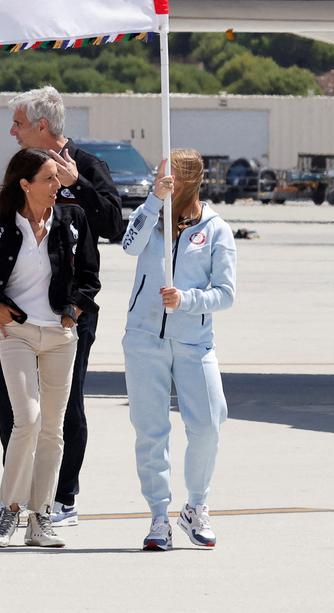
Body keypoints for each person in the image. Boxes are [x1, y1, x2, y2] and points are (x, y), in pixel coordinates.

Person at [0, 86, 124, 524]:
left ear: (41, 126)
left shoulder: (87, 165)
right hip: (19, 317)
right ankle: (19, 490)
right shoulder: (22, 170)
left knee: (64, 409)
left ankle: (61, 498)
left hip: (69, 315)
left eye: (19, 124)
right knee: (9, 404)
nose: (12, 131)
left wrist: (74, 185)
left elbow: (114, 224)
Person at [0, 149, 100, 549]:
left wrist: (73, 313)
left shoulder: (73, 219)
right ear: (25, 184)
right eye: (49, 179)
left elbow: (89, 275)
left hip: (60, 336)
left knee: (53, 428)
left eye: (58, 179)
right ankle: (10, 508)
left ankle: (41, 516)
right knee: (27, 420)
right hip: (15, 332)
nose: (57, 186)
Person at [121, 150, 236, 551]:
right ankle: (158, 515)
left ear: (189, 179)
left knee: (207, 423)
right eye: (157, 173)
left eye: (165, 174)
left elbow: (226, 293)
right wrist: (153, 201)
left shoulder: (216, 229)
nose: (158, 177)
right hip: (144, 338)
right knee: (150, 430)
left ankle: (196, 506)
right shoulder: (150, 218)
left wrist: (185, 300)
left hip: (193, 341)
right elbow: (128, 245)